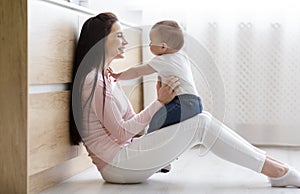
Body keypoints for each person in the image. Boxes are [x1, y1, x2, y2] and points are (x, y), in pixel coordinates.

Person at [70, 12, 300, 187]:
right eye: (119, 35)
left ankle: (276, 168)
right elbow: (122, 133)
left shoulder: (106, 79)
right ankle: (277, 172)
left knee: (203, 119)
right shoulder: (94, 81)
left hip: (125, 157)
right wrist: (159, 102)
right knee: (201, 123)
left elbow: (129, 122)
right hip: (117, 166)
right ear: (101, 42)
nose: (126, 41)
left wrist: (162, 118)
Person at [108, 20, 202, 134]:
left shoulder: (162, 60)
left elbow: (137, 72)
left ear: (163, 46)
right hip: (196, 103)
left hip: (182, 103)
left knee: (157, 120)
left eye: (151, 42)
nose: (149, 45)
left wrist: (118, 75)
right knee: (170, 127)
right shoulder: (182, 57)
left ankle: (147, 145)